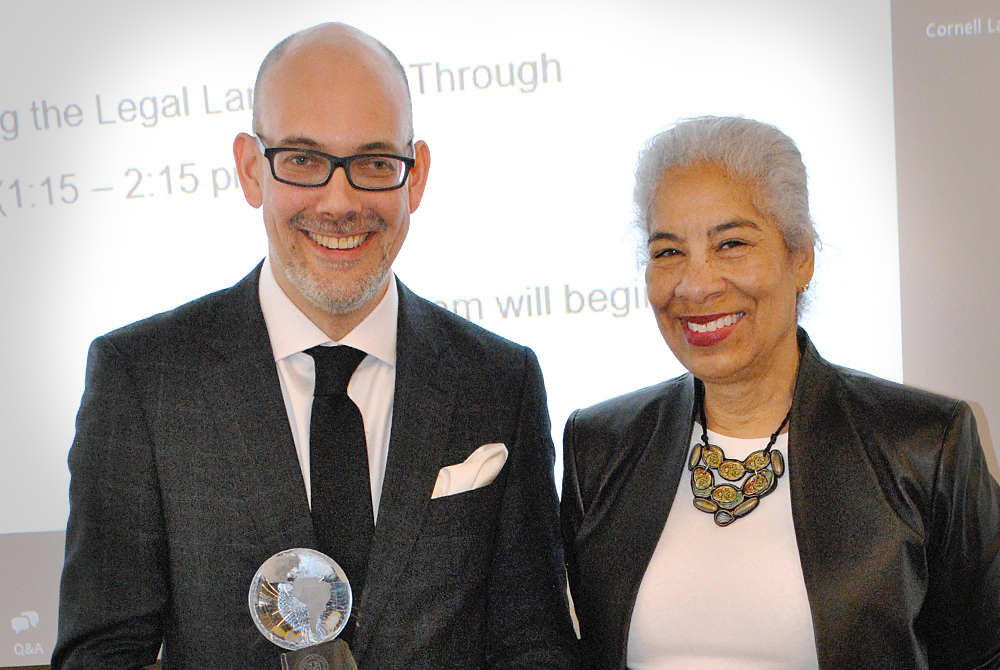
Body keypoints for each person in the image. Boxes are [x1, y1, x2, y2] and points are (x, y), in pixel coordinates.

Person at [53, 23, 578, 670]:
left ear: (415, 180)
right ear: (251, 169)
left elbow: (535, 645)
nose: (340, 200)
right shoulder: (143, 379)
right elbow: (104, 654)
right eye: (302, 160)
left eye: (374, 163)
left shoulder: (500, 379)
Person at [560, 116, 1000, 669]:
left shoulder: (924, 445)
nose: (696, 285)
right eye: (669, 252)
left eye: (732, 243)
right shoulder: (600, 447)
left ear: (802, 258)